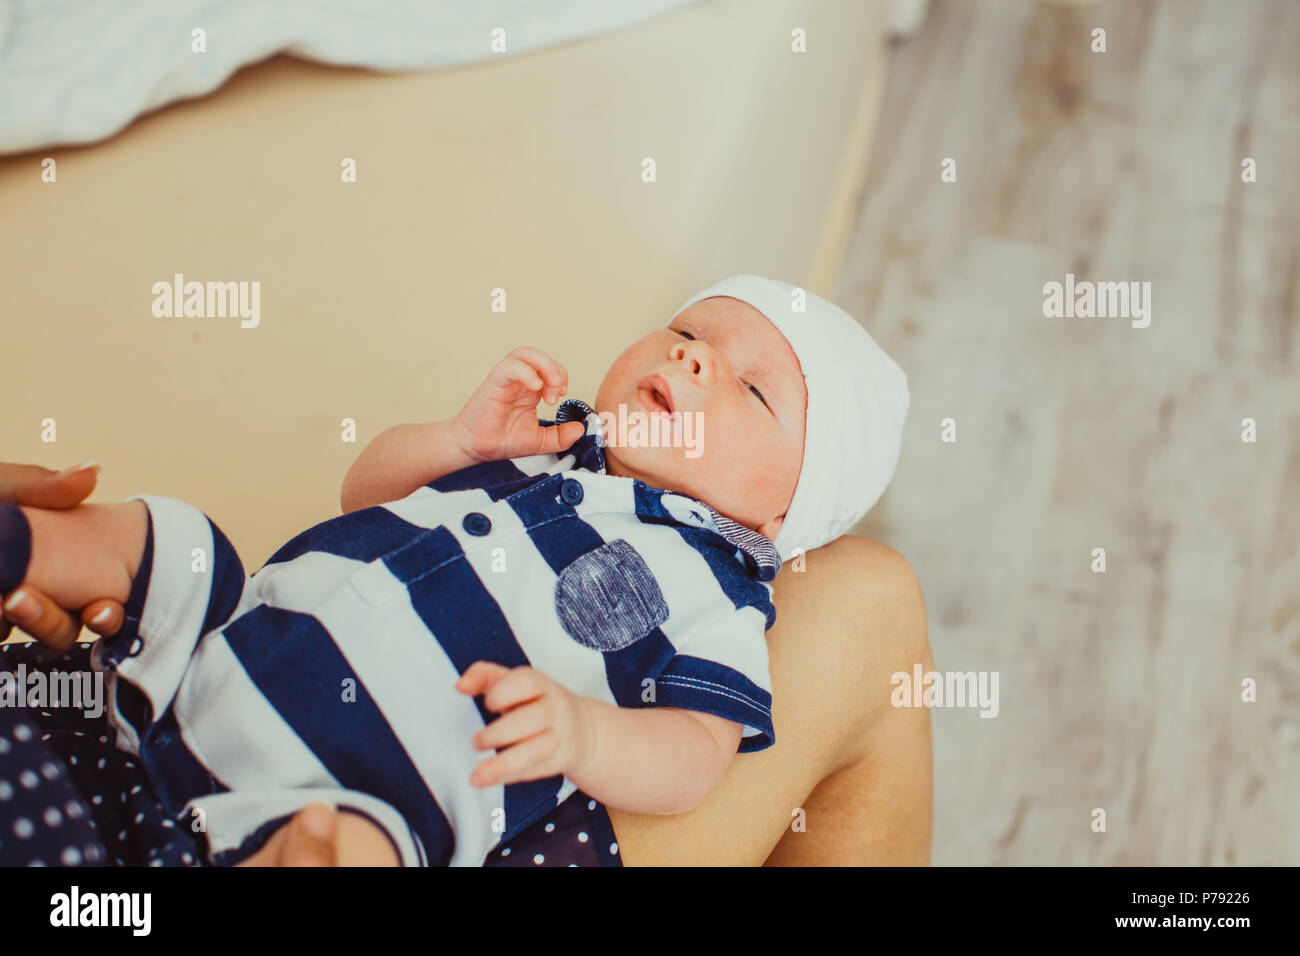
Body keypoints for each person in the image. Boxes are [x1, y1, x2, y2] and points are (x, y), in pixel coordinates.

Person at [1, 279, 934, 865]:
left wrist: (588, 739)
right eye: (688, 331)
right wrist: (451, 444)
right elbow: (357, 495)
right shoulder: (545, 447)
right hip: (216, 652)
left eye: (754, 387)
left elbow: (698, 755)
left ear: (783, 517)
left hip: (353, 787)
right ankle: (22, 544)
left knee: (354, 849)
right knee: (180, 539)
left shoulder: (720, 601)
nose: (695, 357)